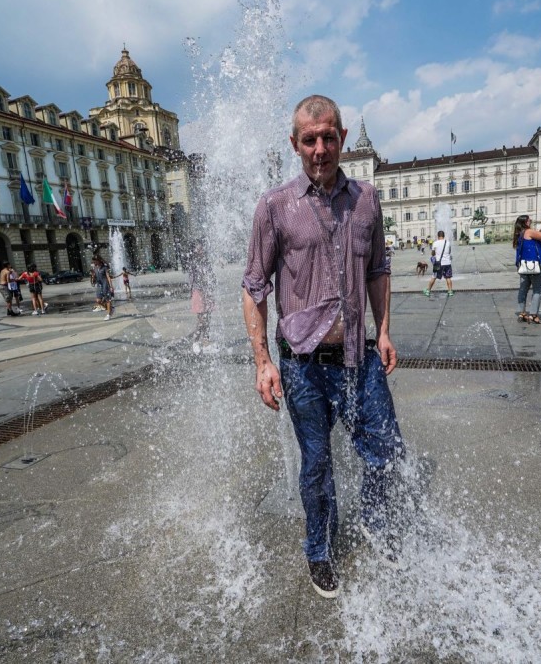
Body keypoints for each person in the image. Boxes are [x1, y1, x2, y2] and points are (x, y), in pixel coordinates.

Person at [242, 95, 407, 600]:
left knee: (385, 451)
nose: (320, 148)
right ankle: (320, 551)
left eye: (329, 137)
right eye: (310, 139)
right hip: (302, 366)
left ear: (341, 139)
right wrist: (263, 362)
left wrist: (383, 331)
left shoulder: (367, 200)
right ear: (295, 144)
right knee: (317, 464)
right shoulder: (275, 207)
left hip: (359, 357)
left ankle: (378, 527)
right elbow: (253, 287)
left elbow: (379, 269)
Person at [513, 214, 541, 324]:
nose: (531, 220)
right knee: (537, 290)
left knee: (523, 289)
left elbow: (536, 237)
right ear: (525, 222)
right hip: (535, 265)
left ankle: (522, 312)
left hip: (524, 266)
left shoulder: (519, 234)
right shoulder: (529, 231)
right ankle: (533, 315)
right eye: (529, 219)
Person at [188, 243, 215, 347]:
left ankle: (205, 341)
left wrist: (212, 284)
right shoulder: (193, 263)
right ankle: (196, 340)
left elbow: (211, 276)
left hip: (207, 292)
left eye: (201, 248)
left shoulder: (207, 262)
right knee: (202, 319)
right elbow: (192, 280)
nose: (201, 250)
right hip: (198, 292)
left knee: (208, 318)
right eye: (198, 249)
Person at [423, 230, 453, 297]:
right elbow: (449, 252)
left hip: (438, 263)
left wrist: (435, 253)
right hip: (447, 263)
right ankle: (450, 291)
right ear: (444, 236)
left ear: (438, 236)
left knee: (433, 277)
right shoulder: (447, 243)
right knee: (448, 277)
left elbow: (433, 253)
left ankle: (428, 291)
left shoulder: (435, 243)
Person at [91, 255, 114, 321]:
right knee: (98, 301)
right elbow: (94, 280)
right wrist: (93, 276)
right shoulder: (95, 268)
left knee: (107, 300)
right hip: (99, 285)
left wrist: (111, 286)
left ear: (98, 260)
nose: (94, 262)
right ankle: (111, 308)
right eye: (93, 261)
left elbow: (108, 277)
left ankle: (108, 314)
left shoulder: (104, 267)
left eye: (95, 261)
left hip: (105, 284)